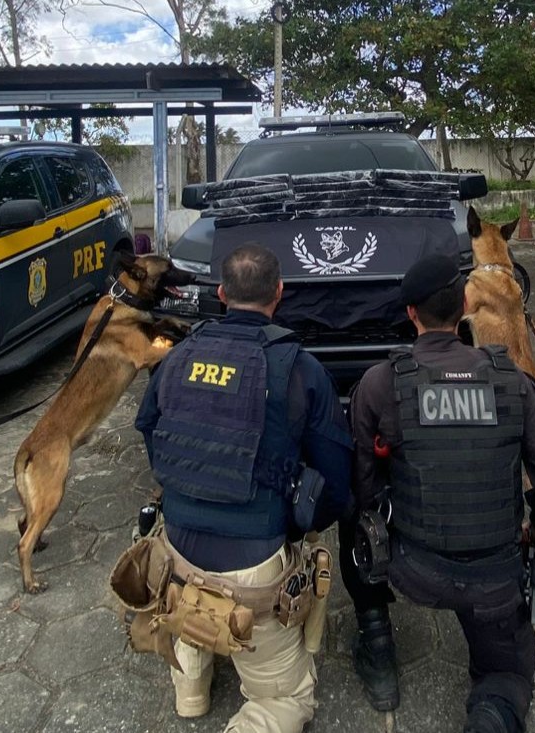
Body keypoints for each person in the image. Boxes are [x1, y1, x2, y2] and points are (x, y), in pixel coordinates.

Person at [341, 253, 535, 733]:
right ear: (466, 304)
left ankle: (378, 642)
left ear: (410, 314)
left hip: (410, 569)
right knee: (506, 676)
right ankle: (489, 719)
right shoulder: (513, 381)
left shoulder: (380, 384)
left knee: (350, 513)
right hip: (496, 577)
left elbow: (362, 486)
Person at [134, 243, 352, 733]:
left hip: (176, 557)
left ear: (221, 294)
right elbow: (337, 484)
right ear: (279, 293)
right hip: (255, 579)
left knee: (184, 584)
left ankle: (191, 686)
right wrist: (303, 527)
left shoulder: (176, 357)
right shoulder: (300, 369)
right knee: (287, 698)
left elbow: (151, 434)